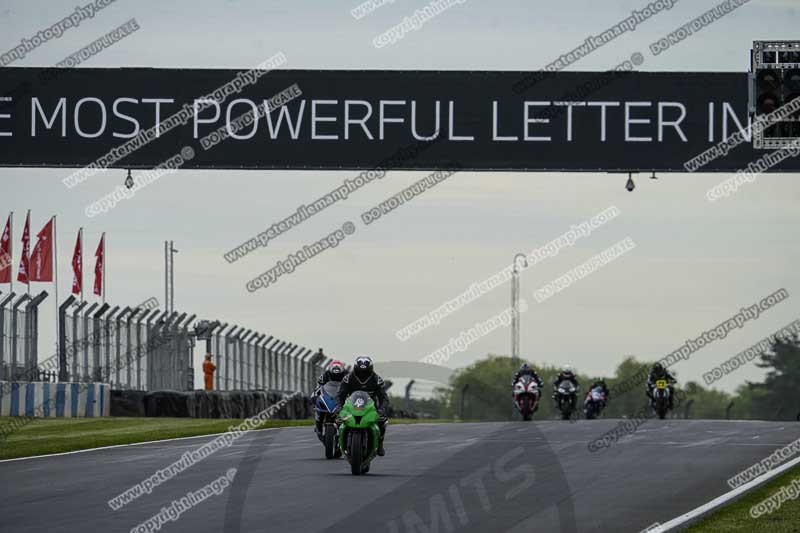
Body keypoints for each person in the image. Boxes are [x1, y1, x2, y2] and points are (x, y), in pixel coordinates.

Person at [335, 356, 389, 456]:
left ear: (371, 369)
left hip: (370, 407)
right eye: (360, 372)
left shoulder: (377, 380)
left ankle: (380, 443)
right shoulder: (348, 378)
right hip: (351, 406)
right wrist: (339, 407)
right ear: (355, 369)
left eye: (365, 372)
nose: (362, 374)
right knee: (338, 419)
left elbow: (384, 397)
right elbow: (340, 394)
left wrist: (382, 409)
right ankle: (338, 441)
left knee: (383, 420)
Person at [312, 360, 346, 436]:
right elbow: (318, 388)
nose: (336, 376)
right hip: (329, 397)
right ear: (330, 370)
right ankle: (318, 426)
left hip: (340, 398)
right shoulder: (324, 376)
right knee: (318, 407)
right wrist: (315, 397)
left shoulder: (347, 376)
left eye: (338, 375)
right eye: (334, 374)